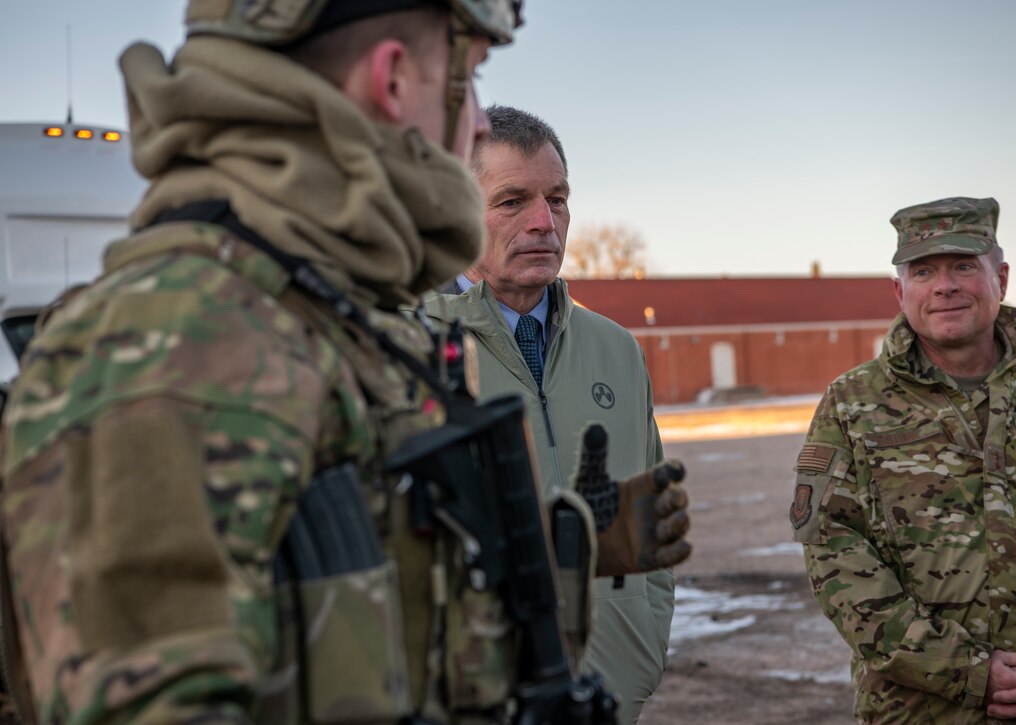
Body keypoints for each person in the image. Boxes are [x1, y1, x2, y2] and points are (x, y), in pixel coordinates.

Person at [0, 2, 586, 722]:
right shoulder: (177, 348)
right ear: (395, 78)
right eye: (470, 75)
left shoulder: (331, 319)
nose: (479, 128)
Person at [789, 196, 1016, 723]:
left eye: (964, 266)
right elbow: (834, 554)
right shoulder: (851, 404)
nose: (944, 285)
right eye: (924, 270)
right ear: (900, 291)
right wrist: (970, 671)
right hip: (921, 709)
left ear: (1003, 277)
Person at [425, 105, 677, 724]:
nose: (545, 222)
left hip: (610, 693)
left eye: (557, 199)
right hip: (470, 698)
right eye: (513, 201)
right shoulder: (409, 345)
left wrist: (644, 646)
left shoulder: (615, 348)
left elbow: (650, 525)